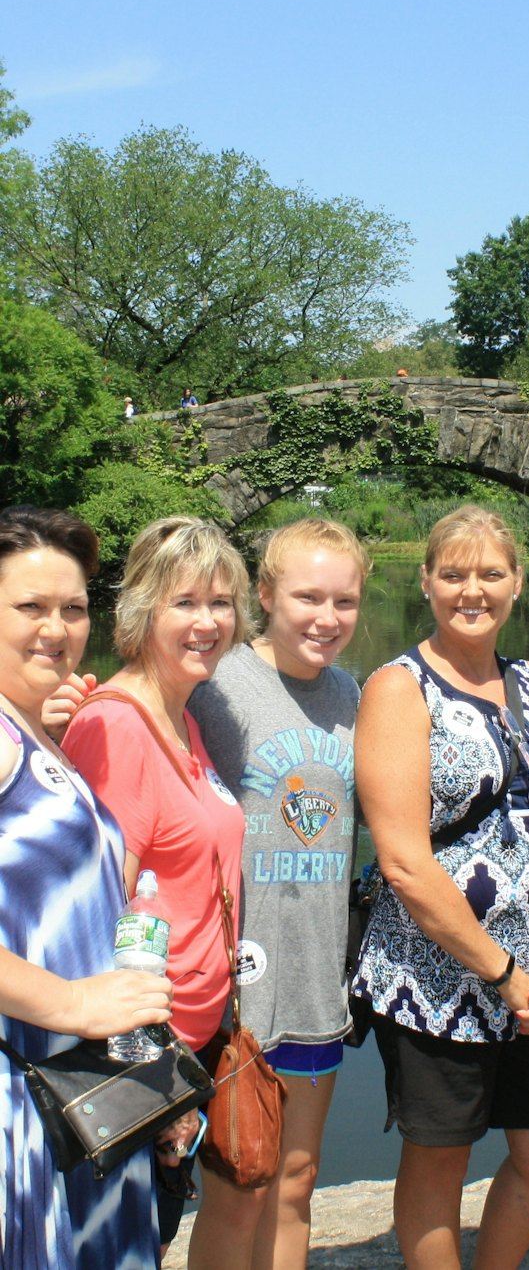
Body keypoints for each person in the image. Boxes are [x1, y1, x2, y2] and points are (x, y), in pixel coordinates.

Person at [350, 505, 529, 1270]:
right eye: (454, 573)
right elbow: (402, 861)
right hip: (440, 977)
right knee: (441, 1160)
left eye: (491, 573)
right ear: (426, 581)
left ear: (519, 583)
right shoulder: (399, 688)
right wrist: (502, 972)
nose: (473, 590)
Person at [62, 516, 253, 1259]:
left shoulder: (184, 719)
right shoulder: (116, 728)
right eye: (185, 603)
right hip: (143, 1055)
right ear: (142, 609)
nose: (207, 622)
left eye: (222, 602)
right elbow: (98, 920)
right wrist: (155, 1080)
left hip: (193, 1039)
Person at [185, 518, 369, 1268]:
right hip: (237, 982)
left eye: (345, 601)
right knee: (238, 1184)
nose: (326, 618)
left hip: (316, 973)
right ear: (265, 594)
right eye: (307, 596)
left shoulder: (352, 693)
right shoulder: (218, 680)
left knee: (296, 1179)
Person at [0, 506, 173, 1270]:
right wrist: (72, 1005)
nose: (57, 629)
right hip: (22, 1091)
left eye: (72, 609)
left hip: (80, 1091)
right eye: (29, 608)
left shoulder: (31, 727)